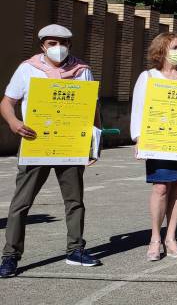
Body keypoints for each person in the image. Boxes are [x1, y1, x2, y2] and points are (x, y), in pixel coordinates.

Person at [0, 25, 101, 278]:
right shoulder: (28, 68)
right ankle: (10, 256)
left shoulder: (82, 71)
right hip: (36, 145)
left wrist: (94, 146)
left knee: (75, 201)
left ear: (70, 44)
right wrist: (14, 123)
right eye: (52, 43)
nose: (58, 48)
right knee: (21, 204)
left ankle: (75, 249)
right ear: (42, 45)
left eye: (63, 42)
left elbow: (93, 110)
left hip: (70, 146)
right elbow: (7, 102)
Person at [130, 32, 177, 262]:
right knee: (161, 187)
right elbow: (139, 108)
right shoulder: (148, 76)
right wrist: (139, 138)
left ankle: (171, 237)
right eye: (174, 47)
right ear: (161, 50)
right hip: (158, 140)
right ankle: (155, 238)